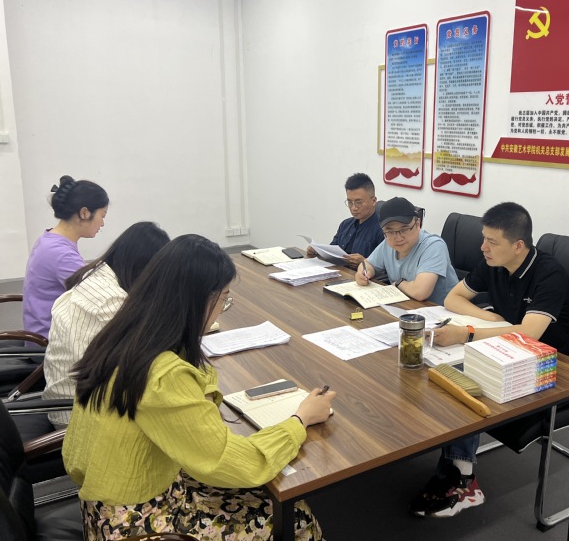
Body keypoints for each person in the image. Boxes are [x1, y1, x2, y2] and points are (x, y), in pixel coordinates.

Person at [64, 234, 336, 540]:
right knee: (297, 516)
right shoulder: (163, 374)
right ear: (199, 301)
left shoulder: (124, 335)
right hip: (140, 525)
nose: (222, 309)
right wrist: (300, 420)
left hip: (107, 505)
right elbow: (234, 462)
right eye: (224, 299)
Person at [409, 201, 569, 518]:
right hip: (509, 349)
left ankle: (464, 484)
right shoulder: (494, 262)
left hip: (555, 366)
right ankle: (454, 470)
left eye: (492, 241)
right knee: (445, 373)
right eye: (484, 238)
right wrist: (492, 320)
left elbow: (530, 333)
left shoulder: (549, 274)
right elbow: (453, 298)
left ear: (518, 246)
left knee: (466, 384)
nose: (483, 247)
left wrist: (468, 333)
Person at [42, 222, 171, 428]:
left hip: (68, 400)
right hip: (77, 418)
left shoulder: (97, 274)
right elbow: (145, 360)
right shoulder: (111, 302)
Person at [23, 175, 109, 340]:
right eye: (102, 215)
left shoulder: (50, 239)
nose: (102, 223)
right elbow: (98, 296)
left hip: (41, 331)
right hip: (50, 342)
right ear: (84, 213)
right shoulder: (61, 253)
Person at [355, 196, 458, 305]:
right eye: (390, 231)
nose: (398, 238)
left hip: (441, 311)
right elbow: (367, 264)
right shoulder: (388, 243)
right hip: (406, 306)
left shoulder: (434, 246)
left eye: (404, 229)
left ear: (417, 224)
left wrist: (399, 283)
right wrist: (363, 273)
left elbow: (420, 292)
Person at [306, 172, 383, 269]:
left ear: (373, 201)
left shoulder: (383, 230)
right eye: (350, 202)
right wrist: (318, 251)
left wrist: (365, 263)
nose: (354, 208)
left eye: (358, 202)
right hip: (338, 272)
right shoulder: (345, 224)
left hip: (361, 276)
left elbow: (386, 268)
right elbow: (331, 252)